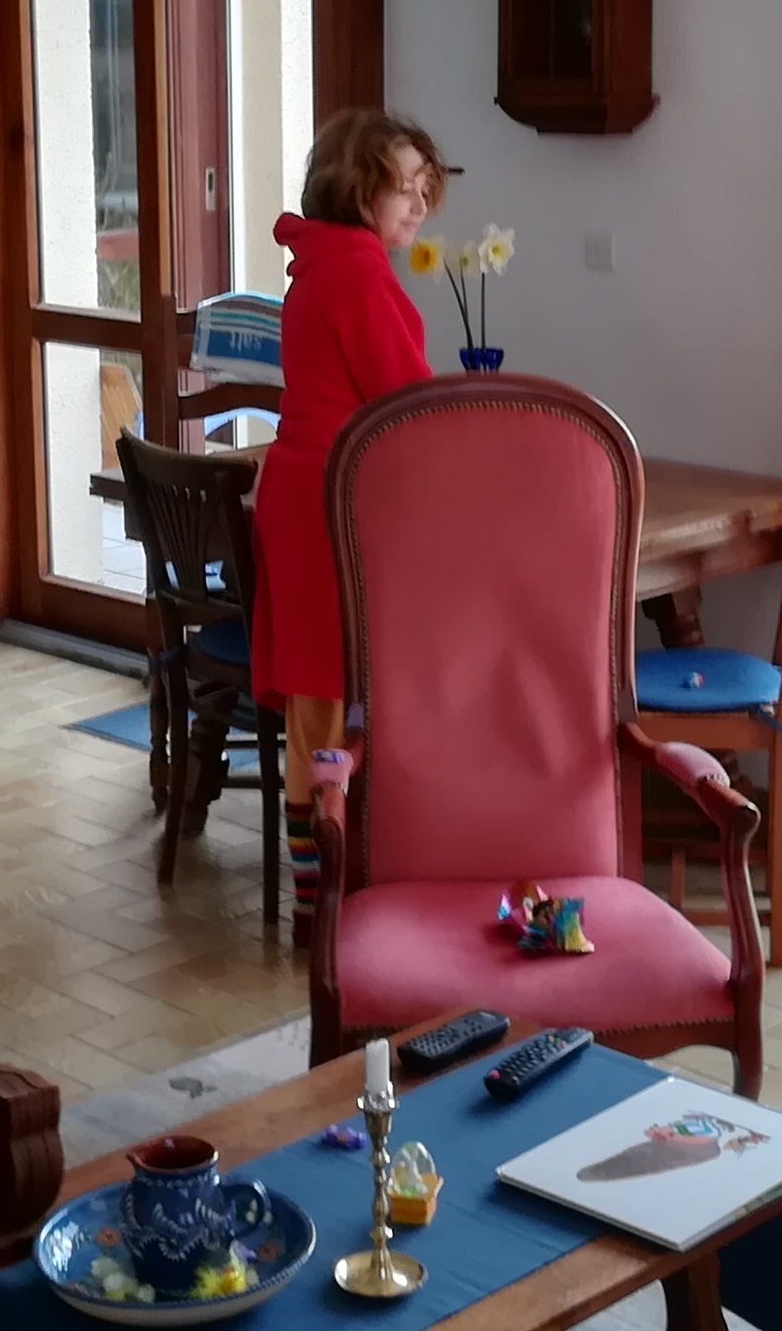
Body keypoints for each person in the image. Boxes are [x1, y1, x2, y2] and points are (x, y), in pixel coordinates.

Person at [251, 110, 444, 940]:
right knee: (341, 700)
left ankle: (316, 902)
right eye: (405, 189)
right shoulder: (359, 272)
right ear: (357, 190)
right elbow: (406, 400)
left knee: (316, 706)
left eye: (426, 189)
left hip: (304, 497)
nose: (420, 206)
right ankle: (340, 901)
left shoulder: (320, 263)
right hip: (338, 507)